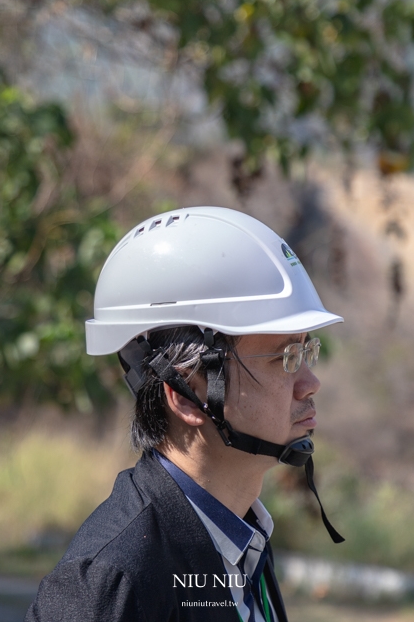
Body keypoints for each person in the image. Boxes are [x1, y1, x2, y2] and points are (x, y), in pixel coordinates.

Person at [25, 206, 344, 622]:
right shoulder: (111, 584)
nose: (310, 382)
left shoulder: (241, 539)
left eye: (307, 351)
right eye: (285, 357)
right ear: (188, 394)